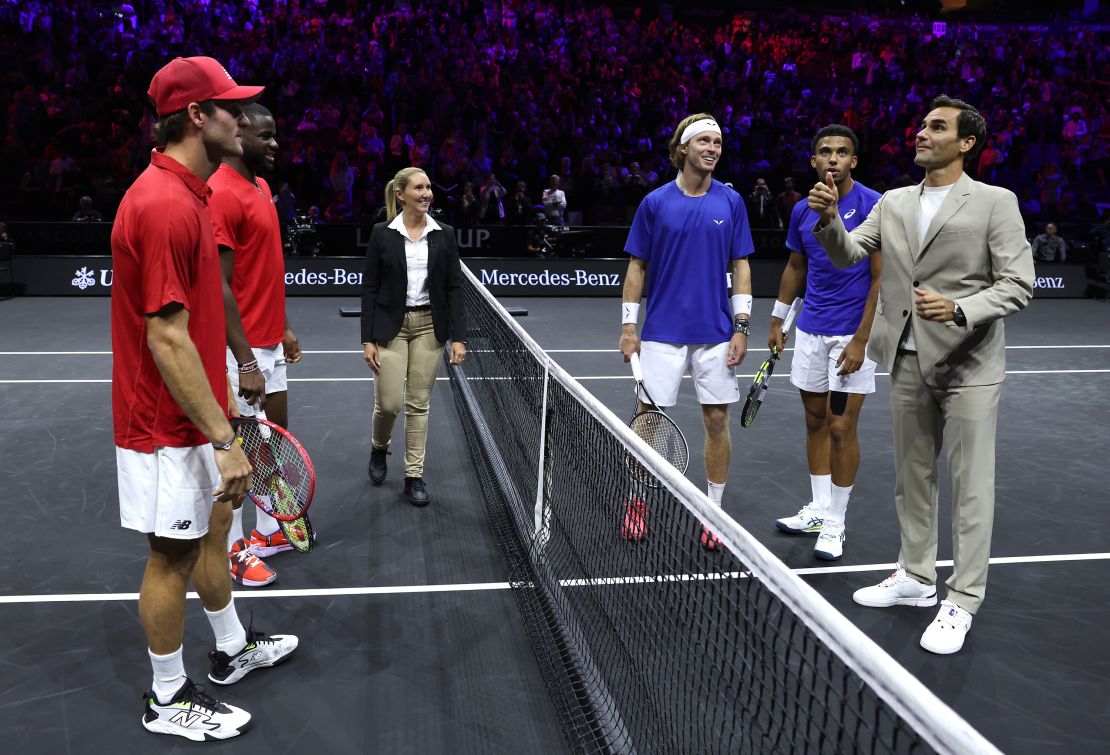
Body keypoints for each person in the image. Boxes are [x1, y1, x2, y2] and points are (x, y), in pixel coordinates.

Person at [111, 56, 297, 742]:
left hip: (190, 411)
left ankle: (230, 647)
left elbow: (198, 321)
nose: (242, 118)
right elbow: (166, 337)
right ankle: (166, 697)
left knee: (210, 533)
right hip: (164, 422)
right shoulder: (161, 203)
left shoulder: (190, 194)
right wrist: (224, 438)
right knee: (171, 555)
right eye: (230, 107)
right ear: (197, 116)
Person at [809, 95, 1034, 654]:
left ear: (966, 144)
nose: (922, 133)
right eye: (922, 125)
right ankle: (914, 577)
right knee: (912, 479)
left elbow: (1018, 283)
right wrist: (830, 219)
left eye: (937, 127)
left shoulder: (994, 202)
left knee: (970, 487)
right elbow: (847, 255)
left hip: (970, 363)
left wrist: (960, 309)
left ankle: (962, 599)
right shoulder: (894, 202)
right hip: (907, 358)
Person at [618, 113, 755, 550]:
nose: (713, 148)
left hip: (715, 332)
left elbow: (742, 266)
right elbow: (636, 267)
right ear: (683, 149)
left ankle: (714, 509)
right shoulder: (655, 203)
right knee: (649, 420)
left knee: (717, 420)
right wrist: (628, 326)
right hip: (660, 331)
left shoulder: (731, 202)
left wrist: (742, 327)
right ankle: (637, 500)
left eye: (717, 142)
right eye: (704, 142)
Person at [769, 125, 882, 561]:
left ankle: (835, 522)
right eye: (824, 152)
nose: (833, 159)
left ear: (854, 161)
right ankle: (818, 508)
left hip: (850, 335)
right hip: (811, 330)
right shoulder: (802, 210)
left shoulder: (875, 205)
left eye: (842, 152)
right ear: (814, 161)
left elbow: (880, 279)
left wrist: (861, 339)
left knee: (841, 427)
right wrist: (779, 320)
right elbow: (796, 268)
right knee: (815, 422)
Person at [208, 102, 305, 587]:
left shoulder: (261, 187)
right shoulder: (220, 194)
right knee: (239, 455)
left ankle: (269, 531)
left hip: (267, 339)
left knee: (271, 442)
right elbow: (218, 285)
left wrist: (283, 325)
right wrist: (244, 360)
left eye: (276, 136)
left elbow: (264, 267)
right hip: (238, 349)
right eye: (265, 136)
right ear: (239, 133)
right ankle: (232, 548)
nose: (274, 145)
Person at [361, 167, 468, 506]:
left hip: (428, 327)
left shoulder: (445, 234)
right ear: (401, 194)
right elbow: (370, 289)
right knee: (390, 404)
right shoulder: (382, 234)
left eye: (428, 188)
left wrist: (459, 337)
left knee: (418, 404)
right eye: (419, 188)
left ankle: (413, 476)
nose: (426, 194)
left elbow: (454, 288)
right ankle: (379, 448)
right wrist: (367, 339)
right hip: (390, 328)